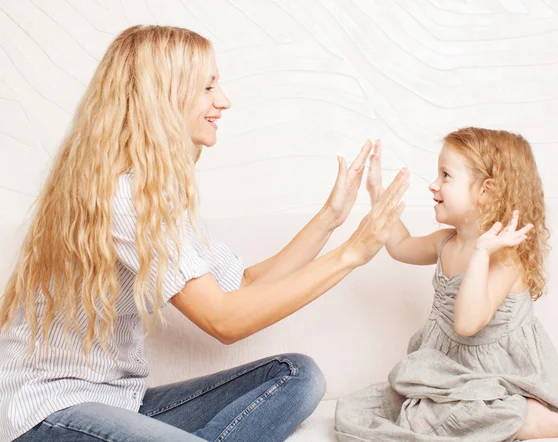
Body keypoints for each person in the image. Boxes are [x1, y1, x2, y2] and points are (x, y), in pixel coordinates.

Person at [0, 25, 409, 442]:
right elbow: (224, 321)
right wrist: (353, 253)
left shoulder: (158, 194)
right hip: (50, 412)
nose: (223, 101)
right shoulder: (122, 196)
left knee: (297, 376)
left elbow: (242, 284)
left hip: (121, 404)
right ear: (164, 96)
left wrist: (330, 218)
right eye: (207, 87)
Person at [335, 128, 558, 441]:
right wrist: (377, 193)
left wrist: (481, 253)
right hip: (449, 373)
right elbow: (400, 245)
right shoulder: (446, 241)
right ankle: (506, 416)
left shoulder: (506, 259)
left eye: (445, 175)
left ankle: (526, 417)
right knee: (362, 407)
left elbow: (467, 323)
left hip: (501, 377)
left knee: (434, 416)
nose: (433, 185)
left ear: (485, 191)